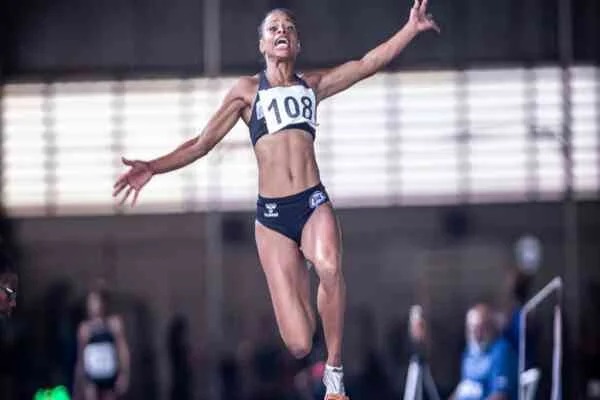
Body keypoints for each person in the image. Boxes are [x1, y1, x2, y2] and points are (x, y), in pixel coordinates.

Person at [113, 2, 439, 398]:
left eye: (288, 27)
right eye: (273, 28)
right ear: (263, 45)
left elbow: (367, 62)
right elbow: (201, 144)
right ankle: (298, 277)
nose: (281, 31)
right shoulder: (247, 93)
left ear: (297, 43)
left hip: (312, 201)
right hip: (272, 219)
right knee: (300, 342)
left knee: (331, 266)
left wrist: (409, 29)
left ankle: (334, 378)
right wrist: (153, 166)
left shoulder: (312, 87)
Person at [449, 304, 518, 400]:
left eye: (480, 328)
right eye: (471, 328)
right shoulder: (469, 352)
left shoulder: (502, 352)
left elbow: (501, 395)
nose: (475, 334)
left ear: (491, 328)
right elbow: (464, 387)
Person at [74, 288, 130, 400]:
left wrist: (124, 374)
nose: (92, 306)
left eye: (95, 302)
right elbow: (80, 356)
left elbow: (122, 350)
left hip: (109, 374)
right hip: (92, 374)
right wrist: (79, 381)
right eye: (90, 303)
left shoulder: (114, 324)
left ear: (103, 304)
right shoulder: (84, 329)